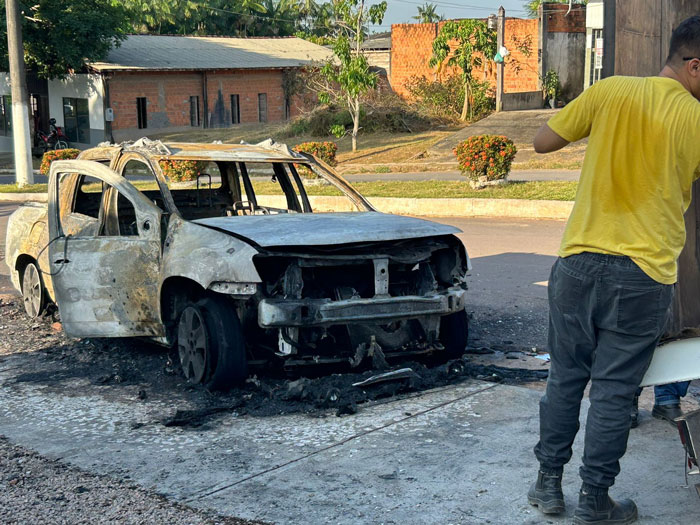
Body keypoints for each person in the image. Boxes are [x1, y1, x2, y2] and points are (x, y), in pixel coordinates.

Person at [526, 16, 700, 525]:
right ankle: (595, 499)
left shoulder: (609, 91)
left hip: (577, 263)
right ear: (695, 65)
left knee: (564, 379)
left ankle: (547, 485)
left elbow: (541, 142)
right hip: (643, 275)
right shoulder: (695, 118)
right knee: (613, 391)